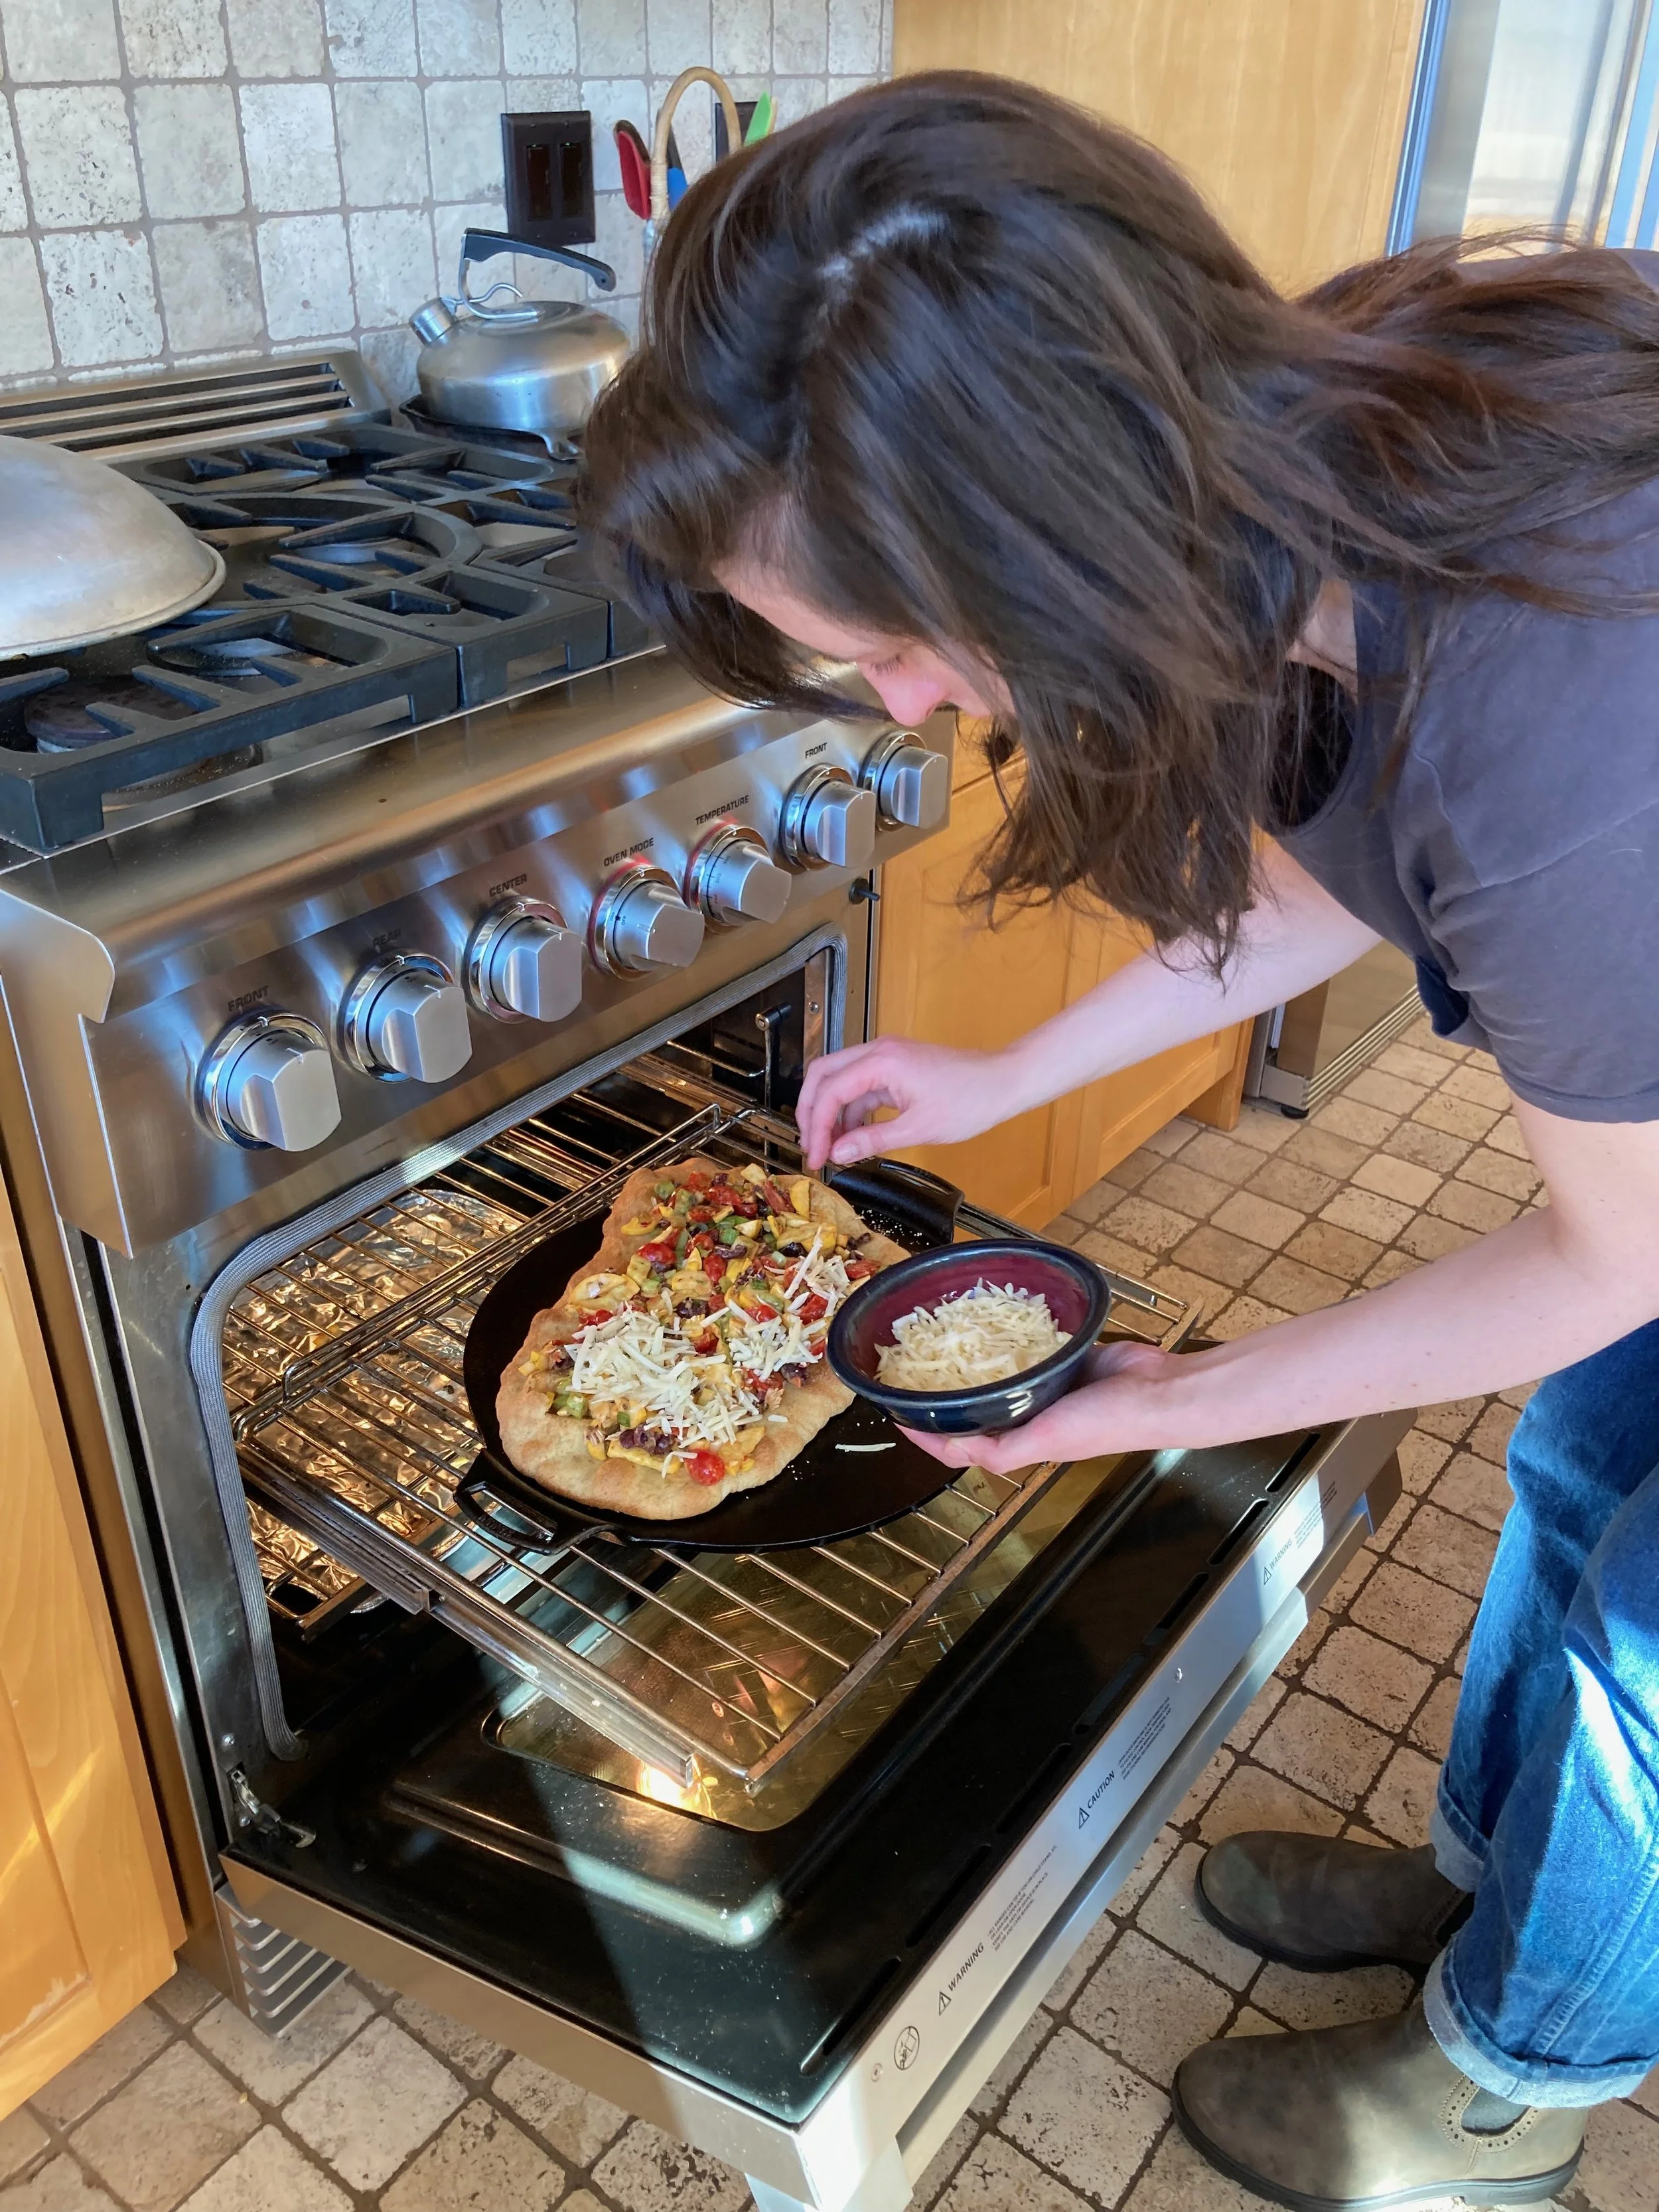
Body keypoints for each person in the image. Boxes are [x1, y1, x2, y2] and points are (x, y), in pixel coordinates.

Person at [578, 71, 1659, 2211]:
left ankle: (1509, 2083)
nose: (897, 708)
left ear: (1056, 532)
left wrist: (1183, 1397)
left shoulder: (1567, 719)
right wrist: (1001, 1073)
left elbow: (1612, 1252)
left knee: (1649, 1649)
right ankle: (1492, 1887)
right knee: (1581, 1466)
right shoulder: (1294, 458)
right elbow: (1363, 837)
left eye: (888, 645)